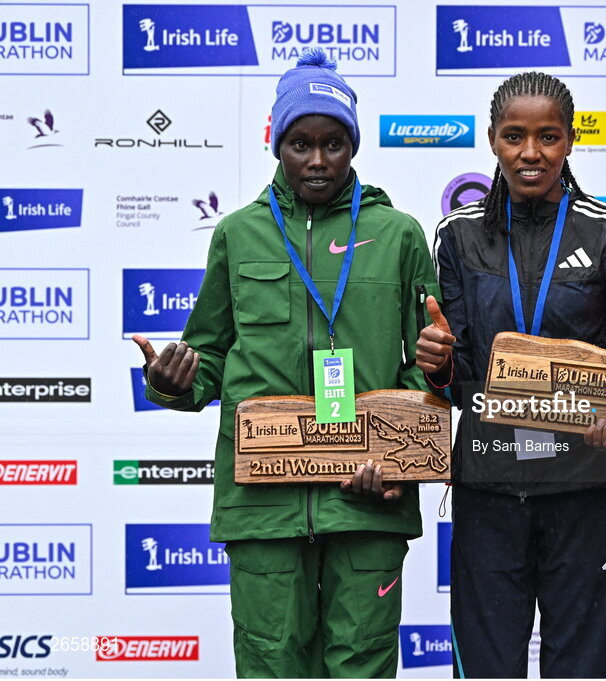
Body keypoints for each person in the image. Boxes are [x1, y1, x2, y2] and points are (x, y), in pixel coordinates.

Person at [132, 49, 440, 678]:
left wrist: (396, 458)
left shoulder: (399, 235)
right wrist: (171, 384)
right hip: (263, 505)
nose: (319, 159)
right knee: (270, 665)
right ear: (277, 143)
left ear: (352, 145)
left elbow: (427, 368)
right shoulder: (239, 234)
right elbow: (211, 353)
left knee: (363, 663)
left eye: (333, 143)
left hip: (366, 496)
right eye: (301, 143)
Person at [415, 71, 606, 678]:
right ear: (492, 140)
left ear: (571, 141)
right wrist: (440, 366)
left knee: (580, 665)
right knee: (490, 667)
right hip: (490, 483)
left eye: (548, 136)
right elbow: (460, 378)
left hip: (584, 486)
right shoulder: (458, 234)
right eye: (515, 135)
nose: (531, 152)